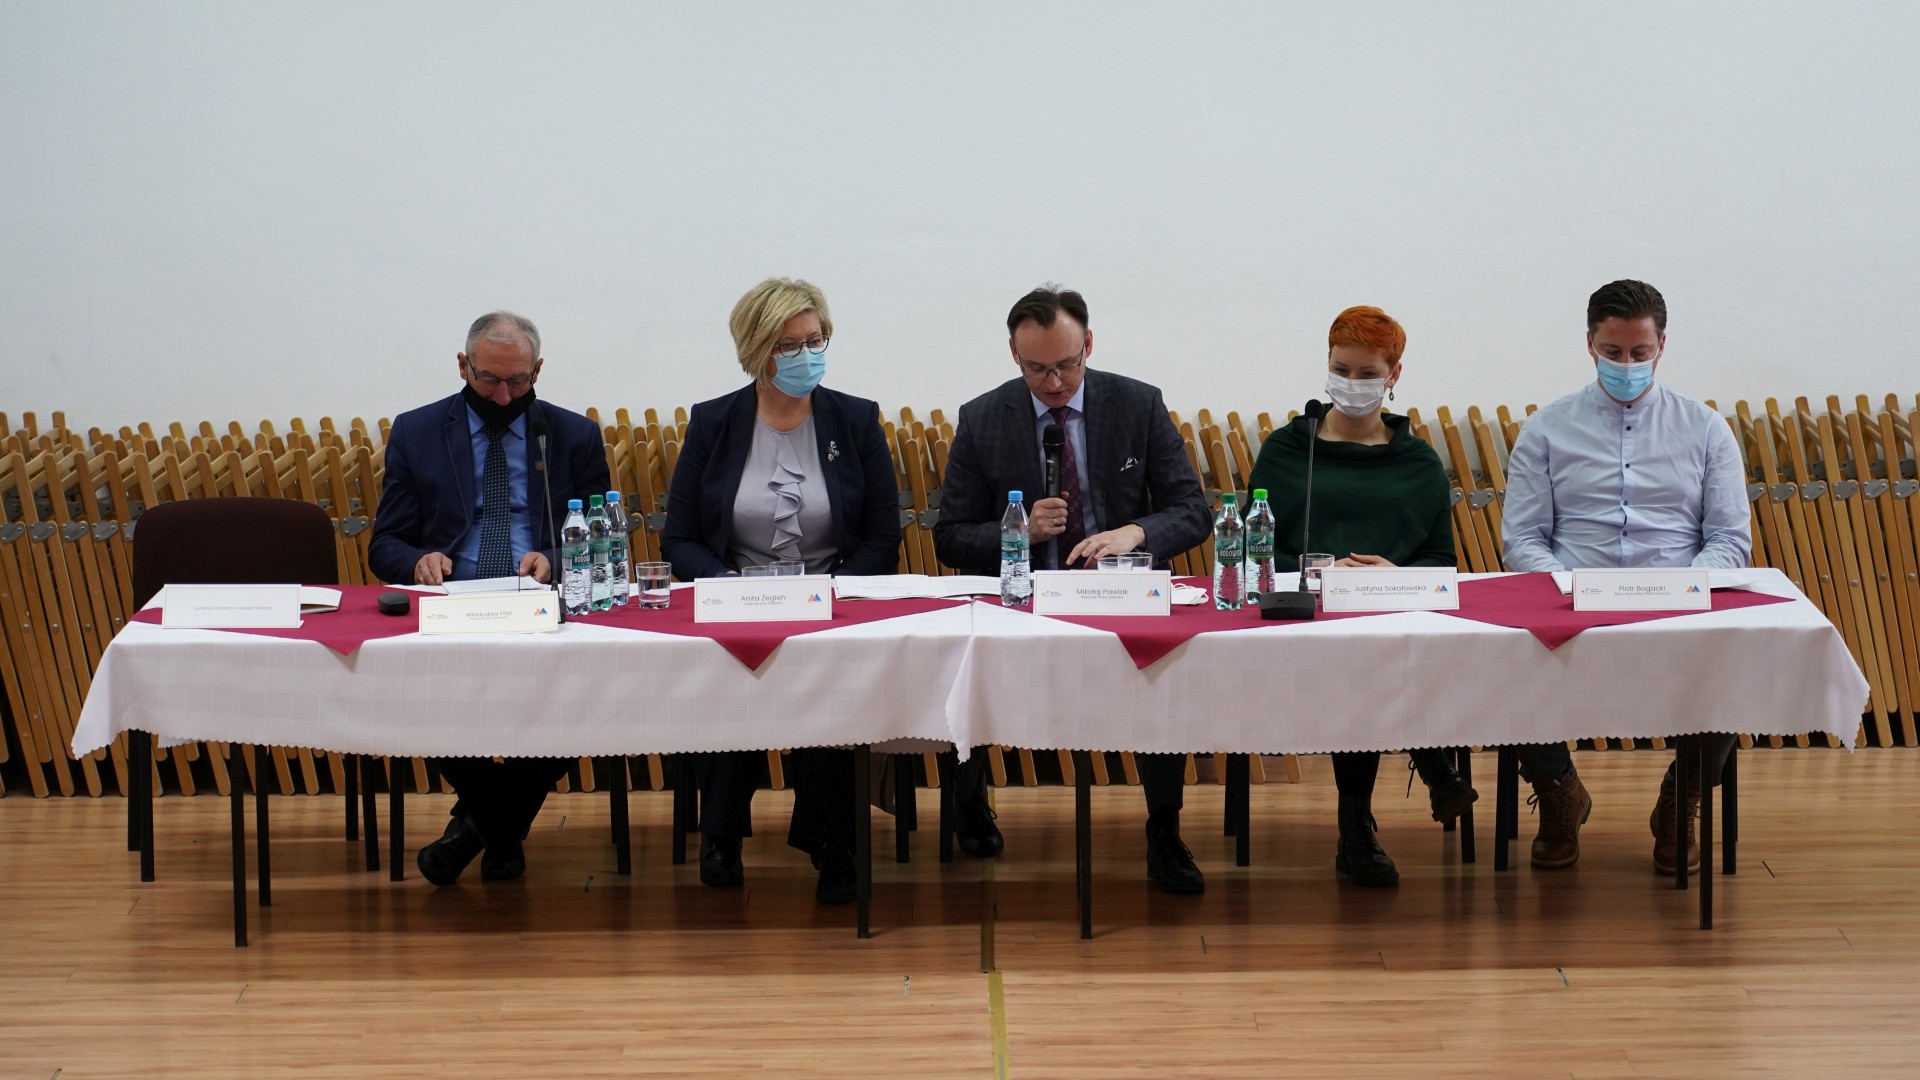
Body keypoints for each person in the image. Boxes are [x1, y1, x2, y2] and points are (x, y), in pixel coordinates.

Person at [934, 284, 1213, 893]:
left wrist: (1136, 533)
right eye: (1038, 369)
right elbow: (949, 537)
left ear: (1089, 345)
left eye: (1067, 364)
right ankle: (970, 804)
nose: (1055, 383)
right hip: (1025, 600)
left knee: (1162, 672)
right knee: (967, 658)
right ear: (1014, 355)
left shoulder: (1137, 404)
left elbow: (1193, 510)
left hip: (1122, 596)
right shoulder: (983, 418)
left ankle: (1164, 829)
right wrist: (1019, 531)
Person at [662, 277, 901, 904]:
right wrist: (726, 588)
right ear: (756, 350)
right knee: (729, 672)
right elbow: (680, 539)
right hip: (736, 602)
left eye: (815, 341)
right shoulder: (714, 422)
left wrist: (833, 593)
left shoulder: (854, 419)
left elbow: (883, 536)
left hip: (829, 604)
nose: (806, 356)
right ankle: (721, 836)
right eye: (789, 346)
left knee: (829, 678)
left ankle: (832, 843)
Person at [1502, 279, 1752, 873]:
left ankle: (1682, 794)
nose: (1627, 365)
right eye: (1613, 353)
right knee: (1505, 658)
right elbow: (1523, 540)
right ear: (1589, 344)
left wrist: (1683, 587)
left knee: (1737, 658)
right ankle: (1559, 791)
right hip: (1570, 598)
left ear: (1662, 345)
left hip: (1676, 598)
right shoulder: (1546, 427)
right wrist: (1568, 588)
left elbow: (1728, 539)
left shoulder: (1706, 428)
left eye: (1640, 353)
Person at [369, 311, 611, 885]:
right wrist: (417, 561)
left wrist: (556, 558)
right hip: (452, 604)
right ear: (463, 366)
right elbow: (385, 543)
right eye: (489, 380)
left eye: (518, 381)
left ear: (538, 371)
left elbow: (601, 535)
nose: (504, 396)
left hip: (544, 604)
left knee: (587, 696)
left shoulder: (573, 435)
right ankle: (502, 830)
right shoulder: (417, 431)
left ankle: (480, 829)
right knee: (420, 700)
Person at [1242, 306, 1477, 886]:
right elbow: (1254, 551)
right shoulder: (1288, 451)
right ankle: (1426, 769)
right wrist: (1321, 573)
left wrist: (1393, 574)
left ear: (1394, 374)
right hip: (1304, 621)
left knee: (1370, 649)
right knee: (1358, 653)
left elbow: (1441, 563)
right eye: (1341, 369)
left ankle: (1356, 825)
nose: (1352, 383)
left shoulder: (1418, 462)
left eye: (1368, 373)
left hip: (1392, 624)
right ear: (1326, 365)